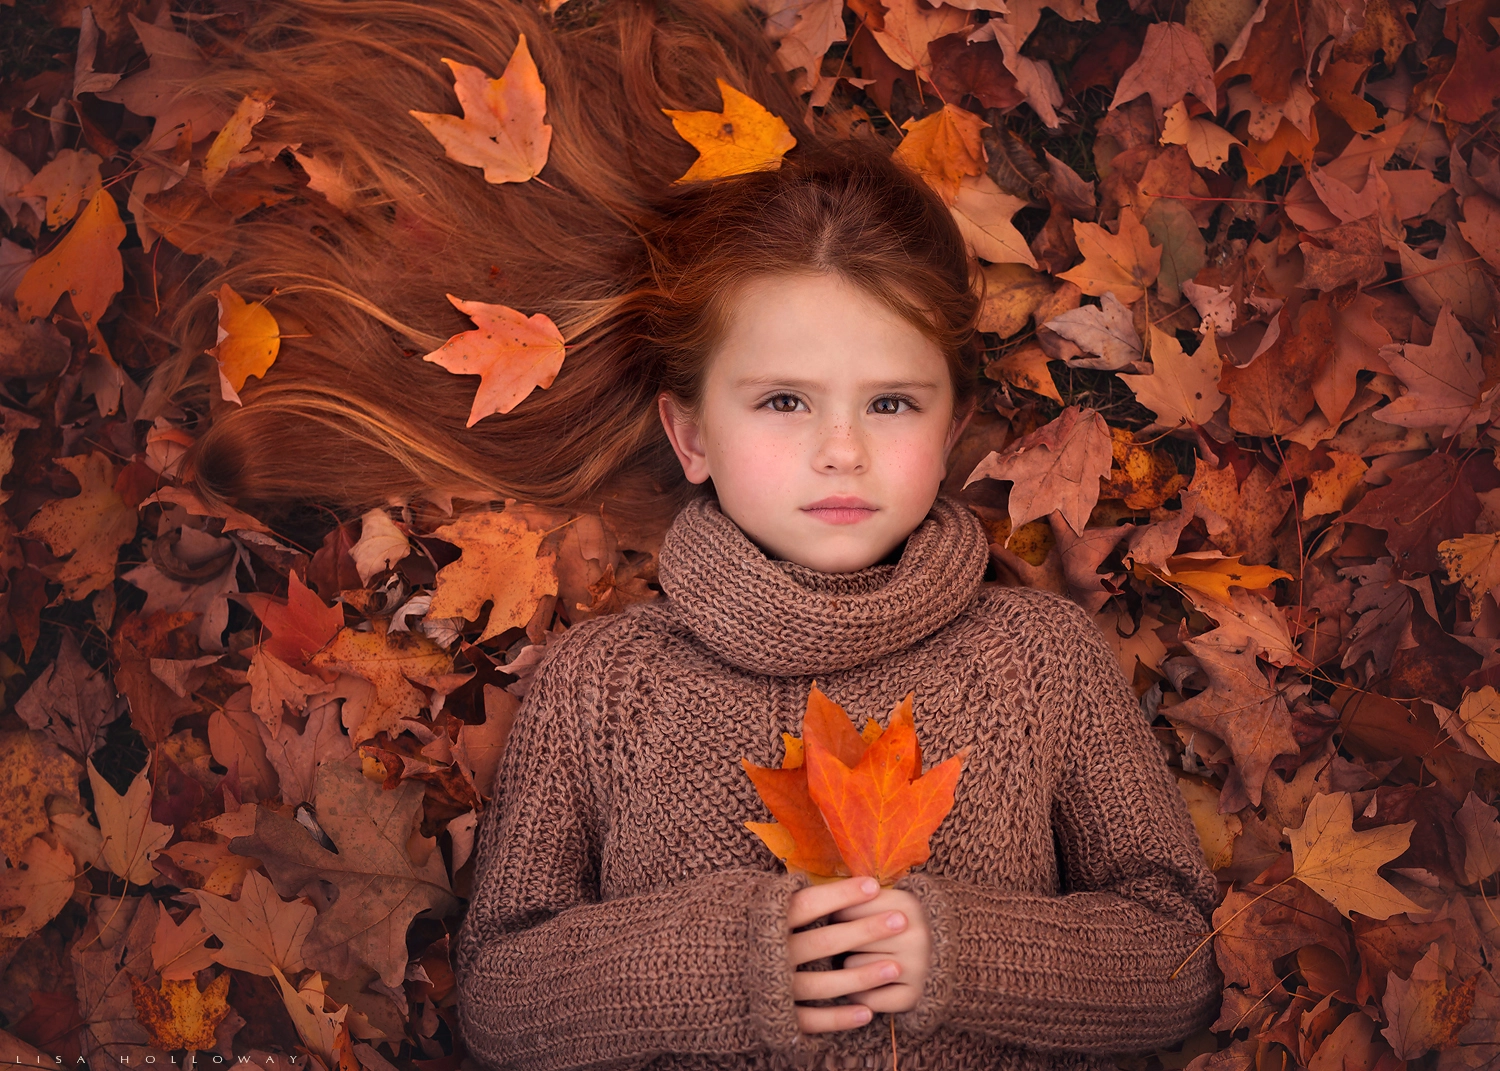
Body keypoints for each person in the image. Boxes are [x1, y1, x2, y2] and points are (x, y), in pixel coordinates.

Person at [164, 2, 1223, 1067]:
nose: (842, 451)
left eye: (892, 404)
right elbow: (502, 998)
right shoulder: (604, 685)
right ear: (691, 434)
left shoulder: (1040, 659)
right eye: (784, 402)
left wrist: (962, 953)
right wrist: (726, 964)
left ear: (949, 425)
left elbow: (1178, 964)